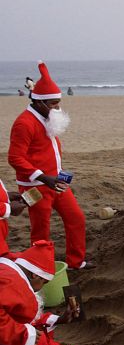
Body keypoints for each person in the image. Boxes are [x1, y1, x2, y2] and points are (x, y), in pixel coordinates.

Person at [8, 62, 92, 270]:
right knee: (40, 229)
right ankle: (41, 267)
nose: (58, 108)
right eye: (54, 104)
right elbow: (15, 158)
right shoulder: (24, 123)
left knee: (76, 218)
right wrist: (44, 177)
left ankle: (76, 261)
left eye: (58, 103)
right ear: (40, 102)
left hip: (57, 181)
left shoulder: (47, 118)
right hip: (36, 186)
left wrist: (56, 175)